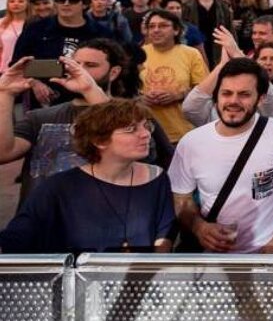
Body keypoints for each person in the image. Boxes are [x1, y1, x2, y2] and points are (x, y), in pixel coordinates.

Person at [170, 58, 273, 253]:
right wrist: (199, 227)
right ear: (216, 96)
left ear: (261, 98)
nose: (233, 101)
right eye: (226, 93)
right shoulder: (190, 143)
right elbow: (182, 198)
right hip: (219, 262)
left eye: (244, 94)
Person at [0, 41, 173, 201]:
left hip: (107, 220)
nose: (79, 71)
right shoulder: (39, 117)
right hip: (43, 223)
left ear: (114, 72)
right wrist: (5, 93)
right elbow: (4, 153)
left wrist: (90, 89)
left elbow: (146, 154)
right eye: (75, 64)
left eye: (90, 65)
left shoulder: (137, 115)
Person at [0, 99, 175, 253]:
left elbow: (164, 237)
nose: (146, 134)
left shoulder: (157, 177)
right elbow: (17, 238)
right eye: (130, 129)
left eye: (146, 126)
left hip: (137, 284)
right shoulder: (58, 187)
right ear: (99, 141)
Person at [12, 0, 111, 107]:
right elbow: (17, 63)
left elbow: (113, 66)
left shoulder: (101, 32)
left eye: (73, 0)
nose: (66, 4)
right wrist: (34, 82)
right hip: (44, 102)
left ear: (85, 4)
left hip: (87, 101)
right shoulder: (36, 29)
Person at [138, 8, 210, 144]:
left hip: (183, 133)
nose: (156, 30)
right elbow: (124, 92)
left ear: (176, 30)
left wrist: (179, 95)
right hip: (146, 134)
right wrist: (141, 98)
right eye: (151, 26)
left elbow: (204, 90)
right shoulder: (138, 54)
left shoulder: (191, 54)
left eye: (163, 26)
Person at [181, 0, 235, 67]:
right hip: (195, 46)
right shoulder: (186, 7)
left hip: (217, 48)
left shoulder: (223, 7)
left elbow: (230, 28)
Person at [0, 0, 29, 73]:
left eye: (20, 1)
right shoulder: (1, 22)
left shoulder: (33, 23)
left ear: (28, 3)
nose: (16, 4)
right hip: (4, 69)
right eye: (12, 1)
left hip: (26, 69)